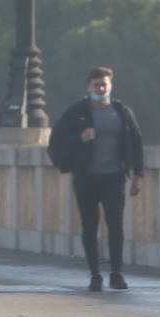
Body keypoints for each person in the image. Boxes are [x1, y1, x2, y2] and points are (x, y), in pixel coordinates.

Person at [48, 65, 145, 292]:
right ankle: (95, 275)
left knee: (115, 225)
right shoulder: (77, 112)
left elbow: (136, 143)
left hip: (114, 177)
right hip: (86, 177)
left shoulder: (121, 112)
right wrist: (79, 138)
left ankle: (116, 273)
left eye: (104, 84)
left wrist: (138, 174)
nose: (100, 88)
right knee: (89, 226)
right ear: (88, 86)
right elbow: (56, 141)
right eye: (96, 85)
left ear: (111, 86)